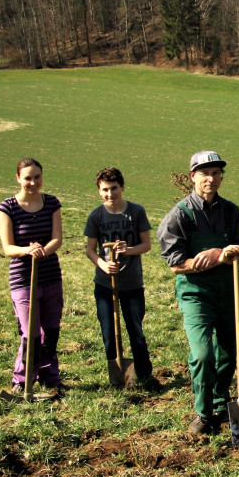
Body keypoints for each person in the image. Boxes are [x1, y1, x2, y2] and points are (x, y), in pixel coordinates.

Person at [157, 151, 239, 436]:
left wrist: (228, 253)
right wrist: (209, 259)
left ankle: (222, 402)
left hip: (228, 290)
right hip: (196, 294)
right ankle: (203, 412)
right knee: (202, 355)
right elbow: (175, 264)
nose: (211, 178)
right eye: (204, 173)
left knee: (228, 353)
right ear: (192, 177)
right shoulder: (179, 215)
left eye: (216, 173)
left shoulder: (231, 211)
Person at [84, 167, 158, 389]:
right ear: (99, 191)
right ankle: (117, 378)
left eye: (114, 188)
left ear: (122, 187)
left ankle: (144, 375)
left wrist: (128, 250)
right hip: (105, 284)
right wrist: (103, 265)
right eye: (105, 190)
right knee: (109, 333)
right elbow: (90, 249)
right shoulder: (96, 216)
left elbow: (146, 245)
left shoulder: (136, 212)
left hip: (132, 283)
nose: (110, 194)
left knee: (135, 330)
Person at [0, 157, 65, 396]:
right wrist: (28, 250)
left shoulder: (51, 203)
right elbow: (8, 248)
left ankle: (50, 377)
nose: (33, 182)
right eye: (27, 178)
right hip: (23, 278)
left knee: (51, 330)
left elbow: (57, 238)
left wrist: (43, 250)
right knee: (31, 333)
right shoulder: (7, 208)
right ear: (18, 179)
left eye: (37, 177)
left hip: (50, 275)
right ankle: (22, 380)